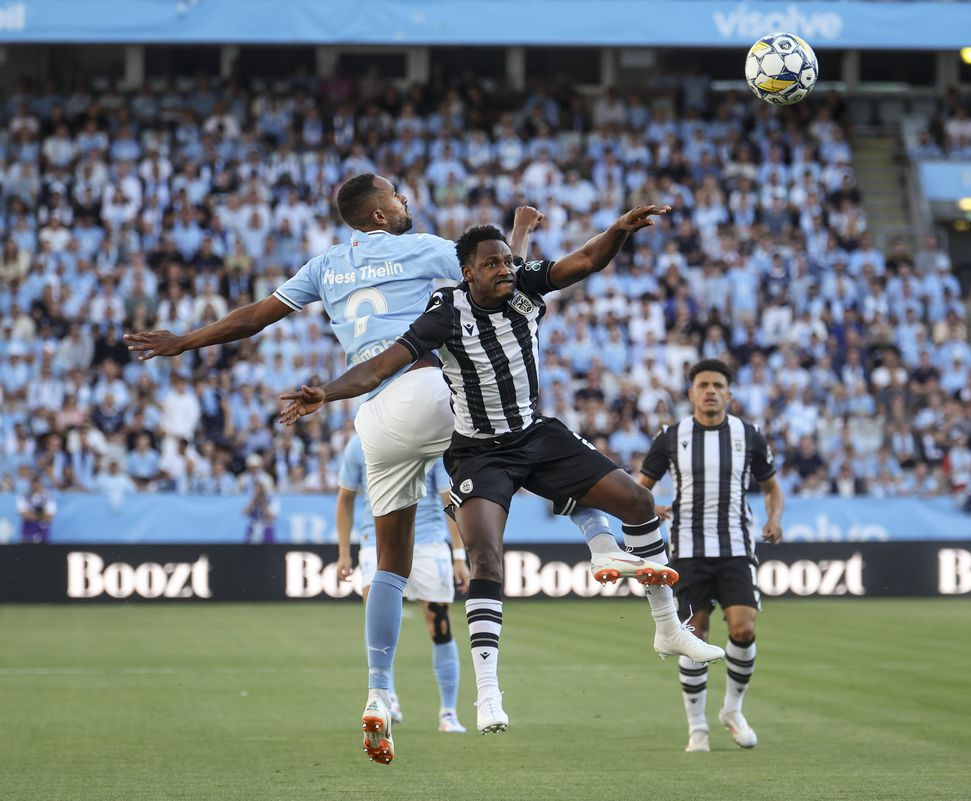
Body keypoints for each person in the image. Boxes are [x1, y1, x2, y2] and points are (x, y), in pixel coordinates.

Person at [127, 177, 673, 763]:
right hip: (426, 386)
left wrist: (184, 341)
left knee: (390, 562)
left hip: (374, 418)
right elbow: (495, 271)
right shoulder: (418, 248)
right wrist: (520, 230)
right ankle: (599, 542)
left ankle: (378, 692)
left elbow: (254, 318)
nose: (408, 203)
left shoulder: (323, 266)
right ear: (382, 213)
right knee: (525, 433)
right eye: (399, 197)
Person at [279, 209, 725, 734]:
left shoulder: (524, 286)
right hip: (478, 452)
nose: (505, 269)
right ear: (467, 272)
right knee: (486, 558)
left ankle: (667, 626)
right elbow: (382, 366)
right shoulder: (444, 312)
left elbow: (584, 261)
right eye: (492, 264)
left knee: (640, 503)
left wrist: (619, 231)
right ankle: (487, 695)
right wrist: (325, 392)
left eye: (508, 260)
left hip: (536, 435)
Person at [637, 360, 785, 753]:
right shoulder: (671, 437)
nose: (710, 391)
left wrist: (774, 519)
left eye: (718, 385)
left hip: (736, 545)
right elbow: (640, 487)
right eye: (703, 384)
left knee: (744, 628)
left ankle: (732, 711)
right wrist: (651, 507)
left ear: (729, 394)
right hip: (687, 549)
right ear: (691, 393)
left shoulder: (748, 435)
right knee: (693, 635)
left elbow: (772, 488)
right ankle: (697, 727)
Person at [336, 435, 469, 734]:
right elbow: (345, 497)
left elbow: (448, 499)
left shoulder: (430, 439)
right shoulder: (360, 444)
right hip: (375, 543)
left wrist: (458, 555)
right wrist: (343, 552)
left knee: (440, 626)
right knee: (376, 623)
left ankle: (448, 713)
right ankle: (388, 699)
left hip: (429, 542)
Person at [17, 475, 56, 543]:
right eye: (33, 484)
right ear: (30, 485)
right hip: (28, 531)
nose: (35, 486)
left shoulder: (48, 497)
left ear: (40, 484)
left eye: (37, 484)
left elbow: (49, 517)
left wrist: (32, 514)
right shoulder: (24, 496)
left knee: (44, 552)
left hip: (43, 532)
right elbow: (24, 515)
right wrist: (41, 515)